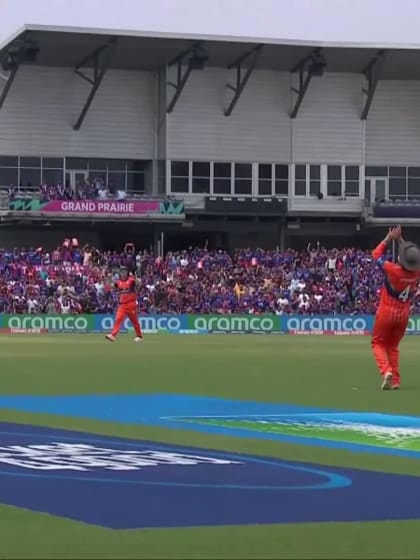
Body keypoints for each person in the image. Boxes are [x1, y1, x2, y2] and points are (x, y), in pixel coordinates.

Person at [371, 225, 420, 390]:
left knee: (377, 343)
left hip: (386, 313)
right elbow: (411, 257)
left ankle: (386, 371)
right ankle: (396, 381)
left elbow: (376, 254)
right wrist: (400, 240)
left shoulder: (394, 270)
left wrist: (388, 238)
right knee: (393, 347)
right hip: (403, 315)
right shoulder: (416, 273)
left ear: (401, 259)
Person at [106, 266, 143, 343]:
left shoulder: (131, 280)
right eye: (121, 272)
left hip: (131, 304)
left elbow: (140, 283)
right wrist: (108, 278)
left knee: (134, 321)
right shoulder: (118, 282)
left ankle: (139, 336)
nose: (123, 274)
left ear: (127, 273)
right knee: (118, 319)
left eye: (124, 272)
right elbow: (109, 286)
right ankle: (113, 335)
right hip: (122, 305)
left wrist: (134, 277)